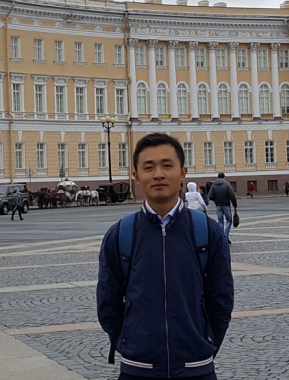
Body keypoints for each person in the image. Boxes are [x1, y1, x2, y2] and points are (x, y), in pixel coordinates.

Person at [97, 133, 234, 380]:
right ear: (136, 176)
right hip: (137, 371)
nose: (158, 174)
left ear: (183, 173)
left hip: (196, 370)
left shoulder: (208, 232)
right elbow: (108, 303)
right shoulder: (120, 235)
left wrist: (204, 344)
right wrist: (129, 345)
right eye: (149, 167)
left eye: (167, 165)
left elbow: (221, 300)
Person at [209, 173, 237, 245]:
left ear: (218, 177)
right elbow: (232, 195)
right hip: (226, 205)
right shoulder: (227, 184)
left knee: (220, 222)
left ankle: (221, 236)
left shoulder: (213, 185)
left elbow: (210, 196)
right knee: (229, 220)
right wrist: (234, 204)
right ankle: (225, 235)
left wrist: (216, 200)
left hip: (218, 205)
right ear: (224, 177)